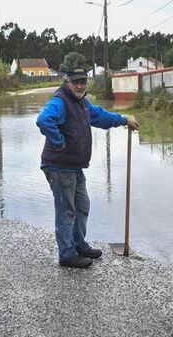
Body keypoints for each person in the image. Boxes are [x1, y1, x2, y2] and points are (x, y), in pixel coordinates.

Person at [36, 63, 139, 268]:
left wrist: (124, 119)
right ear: (67, 82)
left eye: (83, 82)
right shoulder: (61, 101)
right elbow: (44, 120)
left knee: (82, 206)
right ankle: (67, 255)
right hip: (59, 166)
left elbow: (100, 116)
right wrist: (59, 142)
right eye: (76, 82)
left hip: (74, 166)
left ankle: (79, 245)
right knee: (67, 211)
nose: (80, 86)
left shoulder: (81, 102)